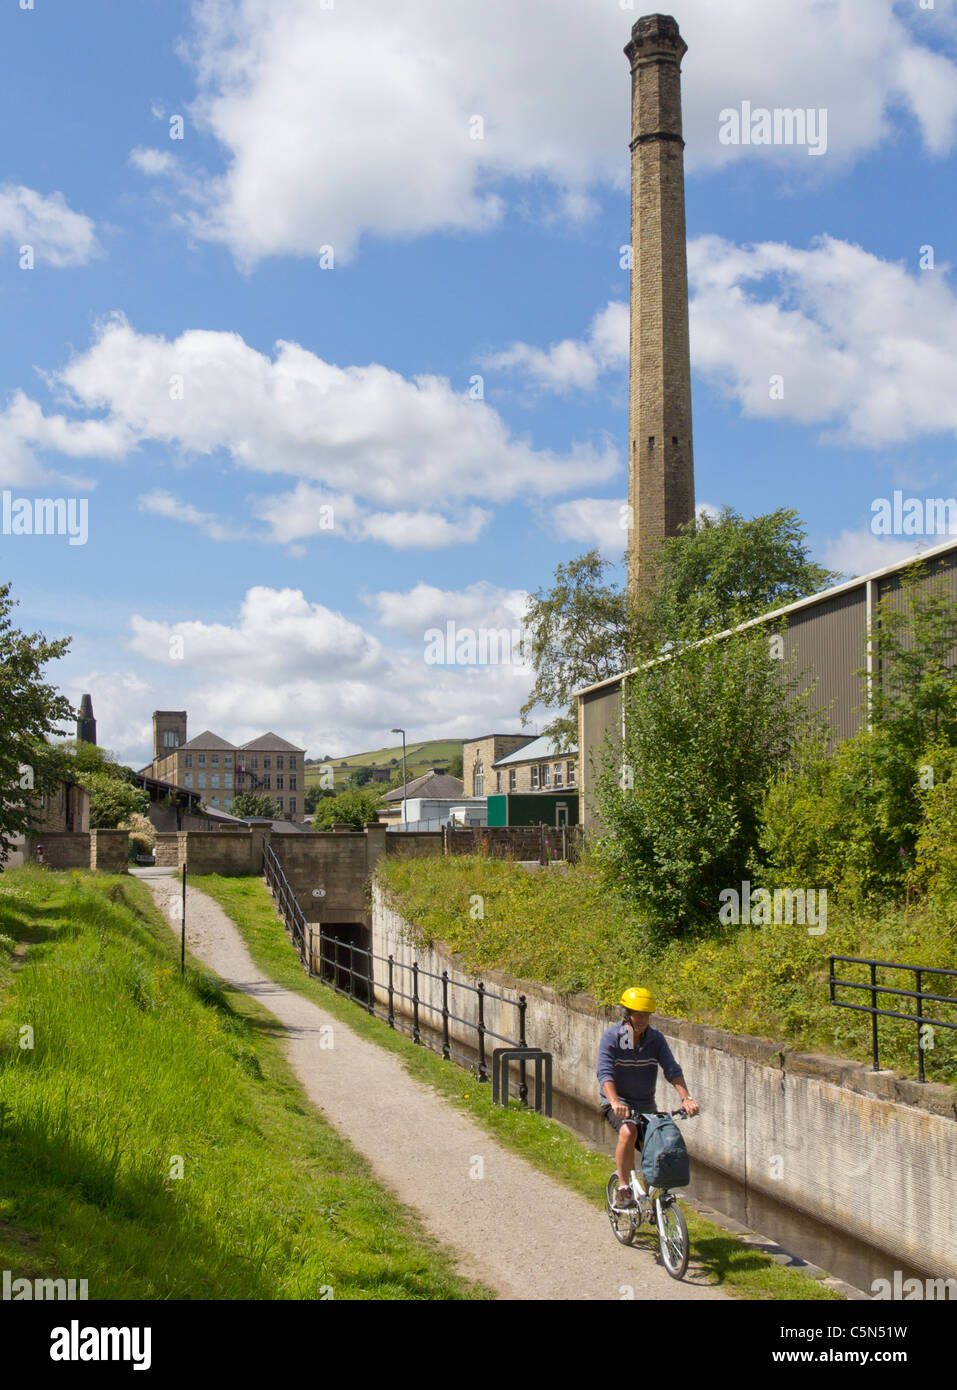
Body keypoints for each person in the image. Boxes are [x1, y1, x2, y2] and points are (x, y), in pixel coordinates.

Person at [597, 986, 699, 1208]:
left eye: (646, 1015)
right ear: (627, 1014)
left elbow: (672, 1069)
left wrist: (686, 1098)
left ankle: (650, 1201)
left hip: (645, 1106)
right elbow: (605, 1073)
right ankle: (623, 1188)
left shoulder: (655, 1039)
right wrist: (615, 1102)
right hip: (618, 1104)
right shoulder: (612, 1037)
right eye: (637, 1014)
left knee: (658, 1147)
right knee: (628, 1130)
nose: (642, 1020)